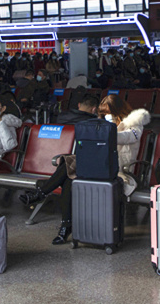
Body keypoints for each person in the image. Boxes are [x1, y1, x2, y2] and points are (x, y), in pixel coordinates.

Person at [20, 95, 150, 245]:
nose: (107, 116)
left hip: (118, 169)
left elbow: (129, 137)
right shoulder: (102, 124)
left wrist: (104, 131)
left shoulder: (134, 124)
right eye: (103, 114)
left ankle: (45, 197)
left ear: (119, 111)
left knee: (70, 170)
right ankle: (64, 224)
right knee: (69, 172)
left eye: (110, 113)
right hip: (97, 165)